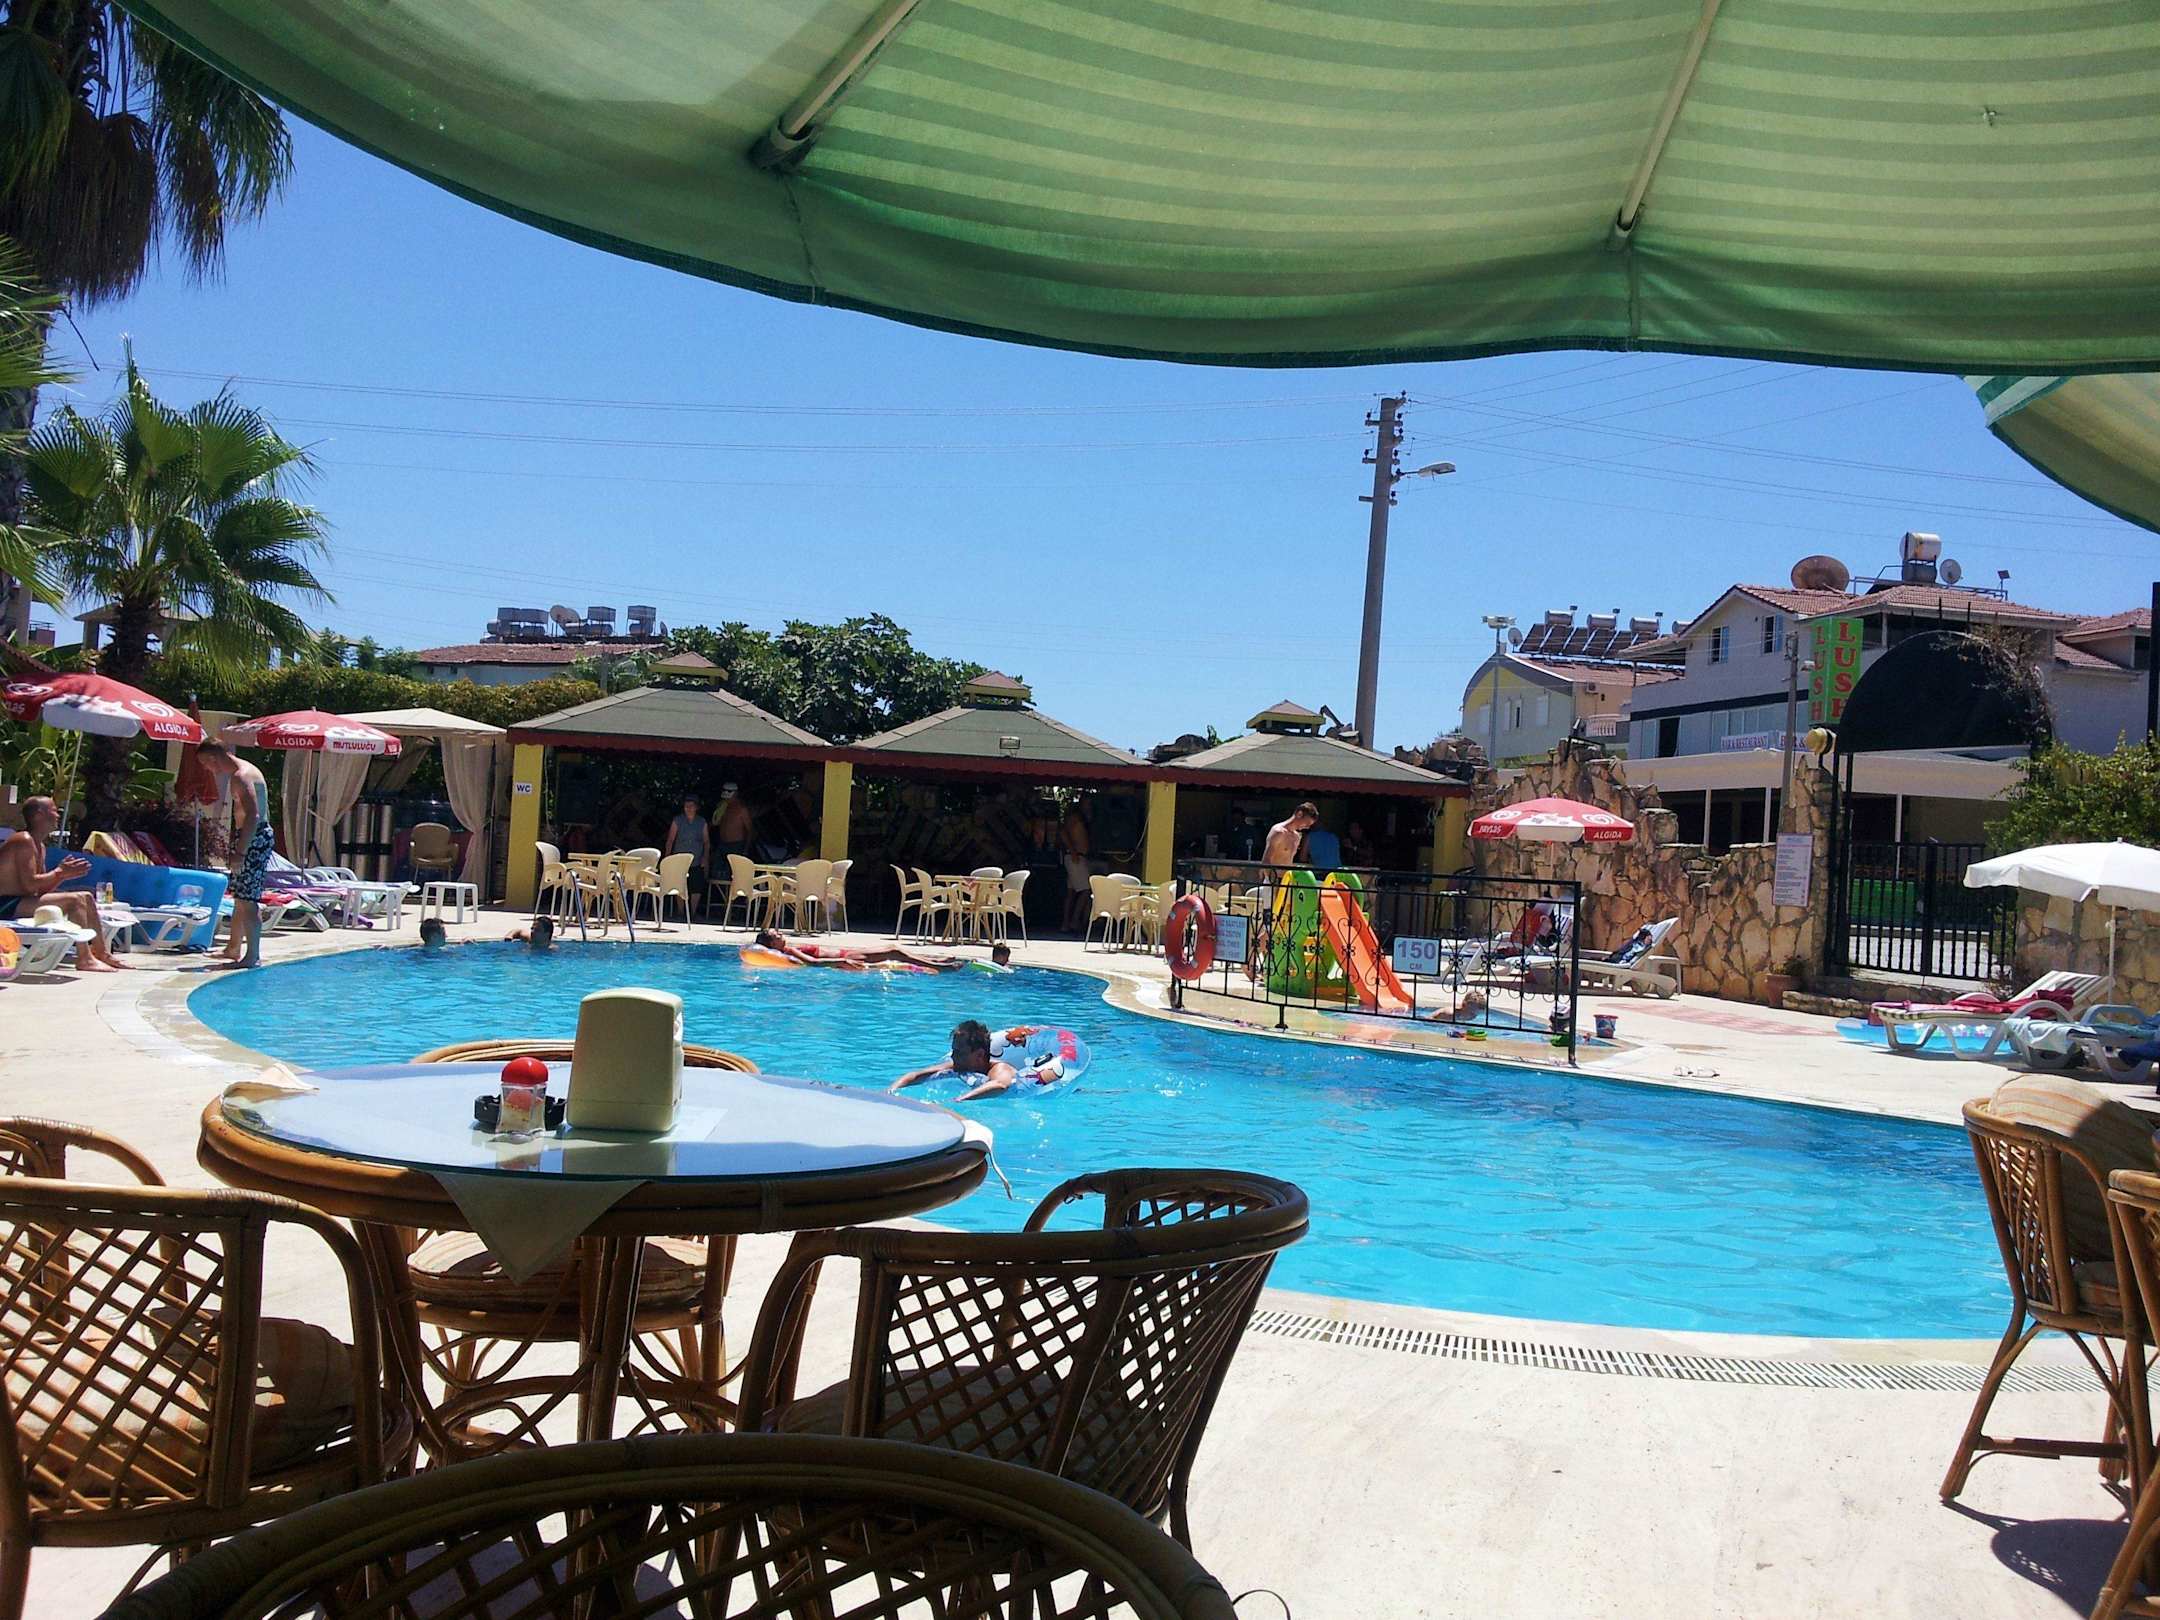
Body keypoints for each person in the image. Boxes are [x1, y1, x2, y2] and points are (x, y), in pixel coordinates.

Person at [0, 796, 129, 971]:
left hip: (19, 901)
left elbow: (39, 890)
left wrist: (61, 876)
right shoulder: (23, 840)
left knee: (86, 896)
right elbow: (29, 885)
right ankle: (84, 958)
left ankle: (101, 952)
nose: (58, 815)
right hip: (5, 903)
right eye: (54, 810)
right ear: (39, 814)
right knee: (74, 900)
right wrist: (59, 873)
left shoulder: (39, 845)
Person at [196, 741, 274, 970]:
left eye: (205, 764)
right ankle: (233, 948)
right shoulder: (242, 772)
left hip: (253, 839)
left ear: (213, 758)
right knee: (240, 896)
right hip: (251, 837)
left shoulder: (242, 776)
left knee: (247, 899)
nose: (207, 769)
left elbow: (253, 816)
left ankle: (252, 956)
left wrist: (241, 851)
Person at [890, 1019, 1061, 1102]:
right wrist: (891, 1091)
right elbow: (916, 1075)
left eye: (959, 1052)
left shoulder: (1000, 1069)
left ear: (979, 1054)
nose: (953, 1056)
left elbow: (1000, 1085)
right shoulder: (957, 1065)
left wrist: (960, 1100)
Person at [751, 929, 962, 971]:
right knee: (893, 951)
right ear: (773, 945)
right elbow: (812, 962)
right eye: (776, 936)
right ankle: (939, 966)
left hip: (847, 953)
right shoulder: (789, 951)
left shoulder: (786, 949)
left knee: (894, 949)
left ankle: (935, 960)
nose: (781, 934)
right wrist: (841, 962)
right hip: (846, 957)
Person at [664, 794, 709, 906]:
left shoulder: (702, 822)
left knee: (696, 886)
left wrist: (705, 857)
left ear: (696, 807)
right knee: (679, 885)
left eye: (691, 806)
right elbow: (670, 840)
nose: (688, 808)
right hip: (679, 859)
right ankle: (680, 911)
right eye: (686, 806)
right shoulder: (677, 820)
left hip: (696, 860)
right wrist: (667, 857)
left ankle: (693, 912)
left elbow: (706, 842)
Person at [1060, 803, 1092, 931]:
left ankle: (1066, 923)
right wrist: (1072, 850)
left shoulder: (1077, 819)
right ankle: (1074, 920)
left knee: (1071, 892)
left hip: (1076, 856)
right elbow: (1063, 832)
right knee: (1086, 890)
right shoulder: (1074, 819)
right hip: (1076, 857)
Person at [711, 784, 754, 866]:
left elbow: (750, 830)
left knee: (734, 869)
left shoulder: (742, 809)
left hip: (736, 845)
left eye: (729, 792)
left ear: (736, 794)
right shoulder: (723, 807)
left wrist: (746, 849)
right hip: (722, 843)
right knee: (718, 868)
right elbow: (715, 822)